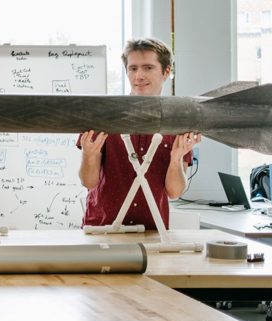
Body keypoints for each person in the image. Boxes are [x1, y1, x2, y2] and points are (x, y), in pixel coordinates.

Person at [78, 38, 200, 229]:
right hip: (102, 229)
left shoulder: (178, 122)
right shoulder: (103, 116)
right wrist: (88, 155)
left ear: (166, 72)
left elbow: (174, 191)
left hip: (152, 231)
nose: (139, 76)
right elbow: (89, 181)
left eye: (148, 68)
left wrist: (176, 158)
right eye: (133, 68)